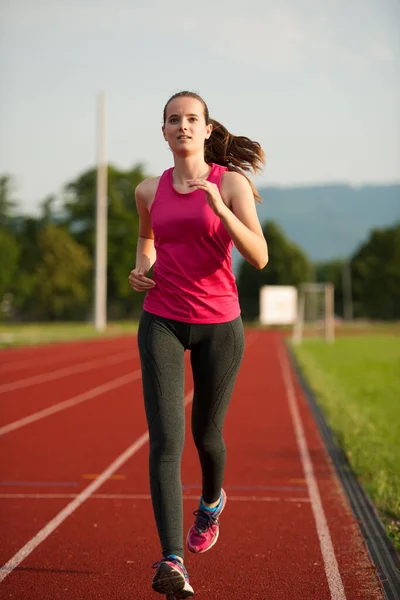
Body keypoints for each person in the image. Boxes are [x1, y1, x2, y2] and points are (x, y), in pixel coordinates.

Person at [129, 90, 268, 599]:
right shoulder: (148, 190)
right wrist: (142, 270)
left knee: (206, 436)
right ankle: (172, 561)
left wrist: (220, 207)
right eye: (173, 120)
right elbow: (147, 240)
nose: (182, 126)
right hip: (162, 319)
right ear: (163, 131)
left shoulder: (230, 182)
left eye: (192, 119)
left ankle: (211, 502)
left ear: (207, 130)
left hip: (219, 325)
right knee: (165, 440)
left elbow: (259, 256)